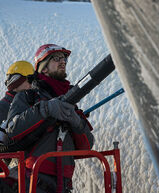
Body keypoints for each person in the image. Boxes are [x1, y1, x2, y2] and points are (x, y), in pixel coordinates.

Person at [6, 44, 94, 193]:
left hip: (63, 183)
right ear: (43, 68)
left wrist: (76, 121)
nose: (63, 62)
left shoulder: (69, 103)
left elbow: (87, 146)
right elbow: (12, 130)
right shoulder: (28, 96)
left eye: (64, 59)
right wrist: (45, 109)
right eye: (56, 58)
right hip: (33, 181)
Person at [0, 60, 34, 146]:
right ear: (16, 82)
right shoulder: (1, 107)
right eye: (29, 80)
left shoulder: (29, 104)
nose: (32, 85)